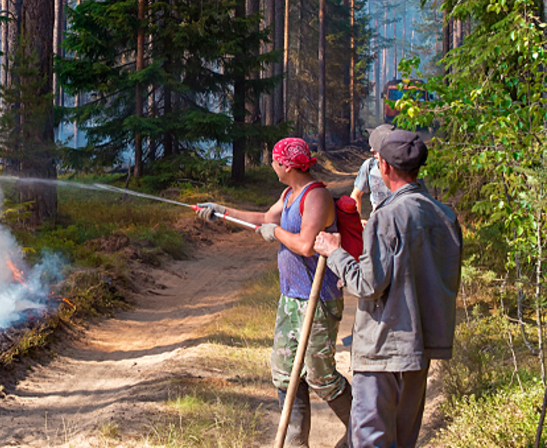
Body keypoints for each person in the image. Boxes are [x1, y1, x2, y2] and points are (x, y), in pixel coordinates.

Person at [197, 138, 351, 448]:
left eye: (275, 161)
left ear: (288, 165)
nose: (272, 165)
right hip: (291, 297)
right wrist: (222, 211)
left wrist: (277, 234)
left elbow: (306, 244)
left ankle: (365, 430)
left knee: (320, 375)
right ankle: (295, 441)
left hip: (317, 300)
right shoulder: (289, 193)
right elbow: (266, 219)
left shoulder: (316, 196)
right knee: (284, 373)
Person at [314, 129, 462, 448]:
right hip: (420, 349)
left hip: (382, 350)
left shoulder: (387, 216)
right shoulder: (445, 216)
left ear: (384, 167)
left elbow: (366, 285)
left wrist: (334, 252)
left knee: (371, 440)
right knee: (403, 439)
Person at [350, 124, 394, 216]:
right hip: (376, 226)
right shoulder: (369, 165)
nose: (371, 149)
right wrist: (356, 222)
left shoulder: (404, 169)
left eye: (376, 145)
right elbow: (356, 195)